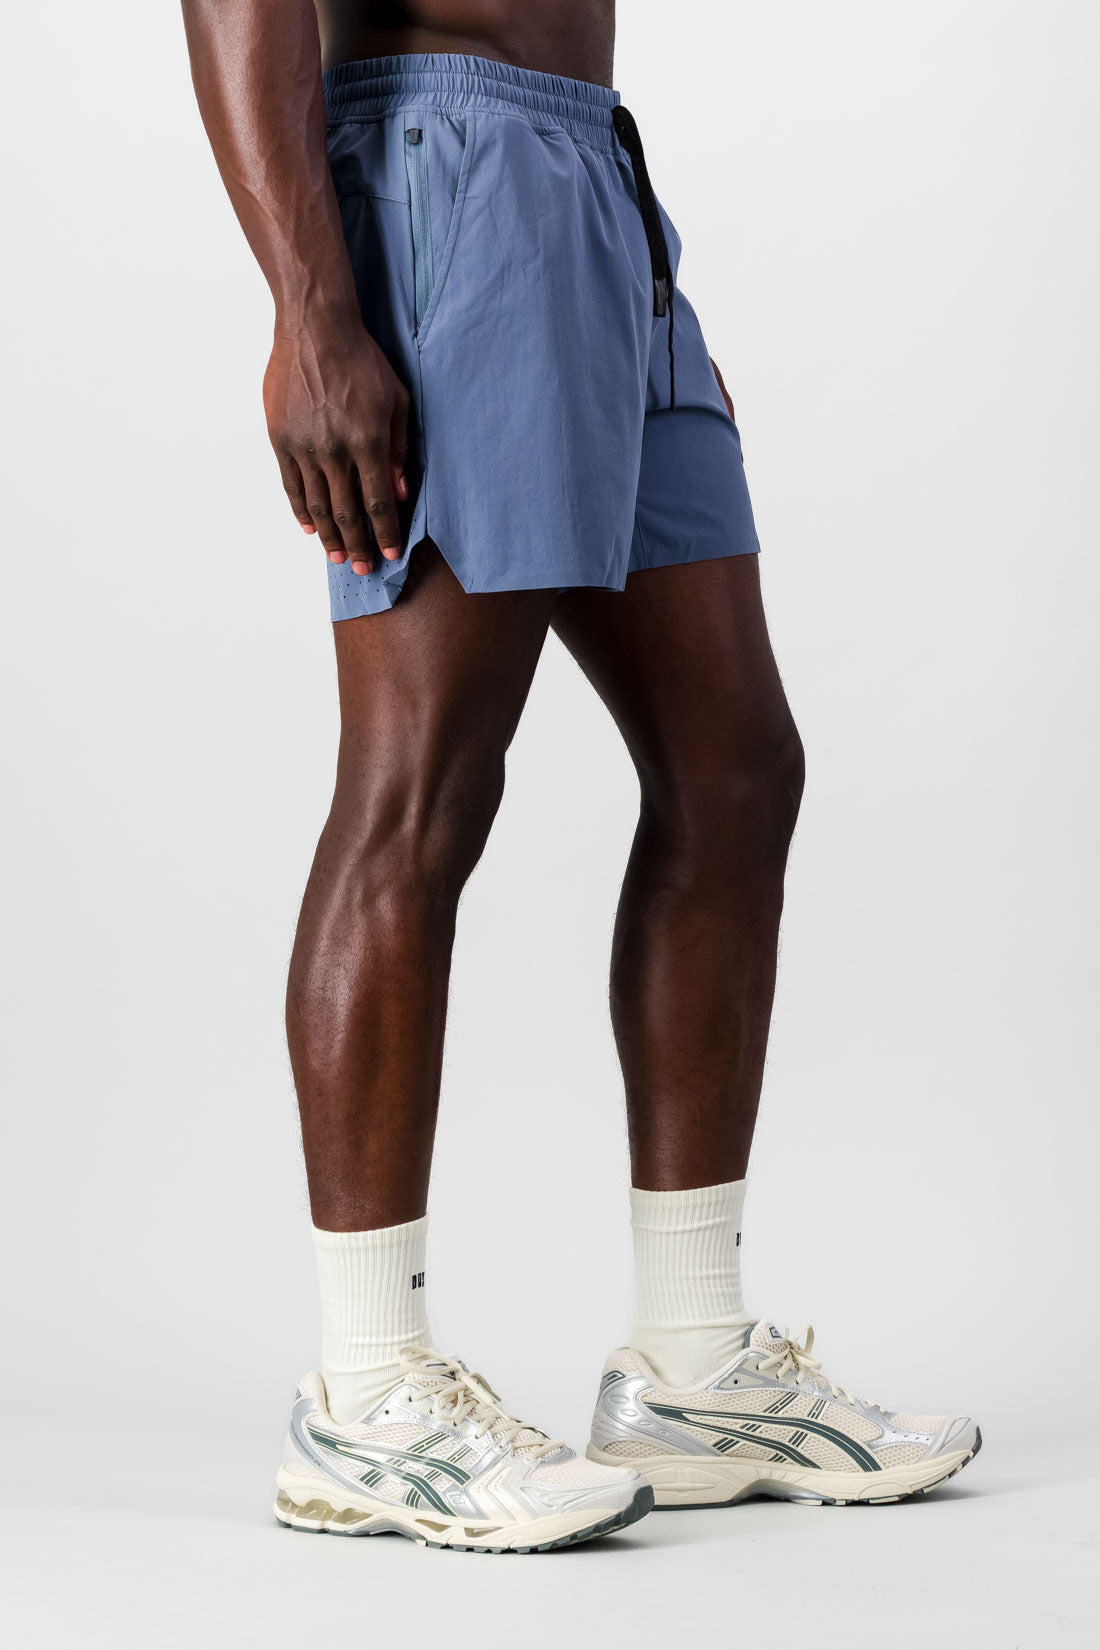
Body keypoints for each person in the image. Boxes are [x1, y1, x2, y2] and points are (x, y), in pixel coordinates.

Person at [181, 0, 980, 1553]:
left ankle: (694, 1366)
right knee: (422, 789)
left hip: (593, 181)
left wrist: (618, 275)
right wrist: (311, 312)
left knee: (736, 767)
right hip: (449, 172)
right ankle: (368, 1392)